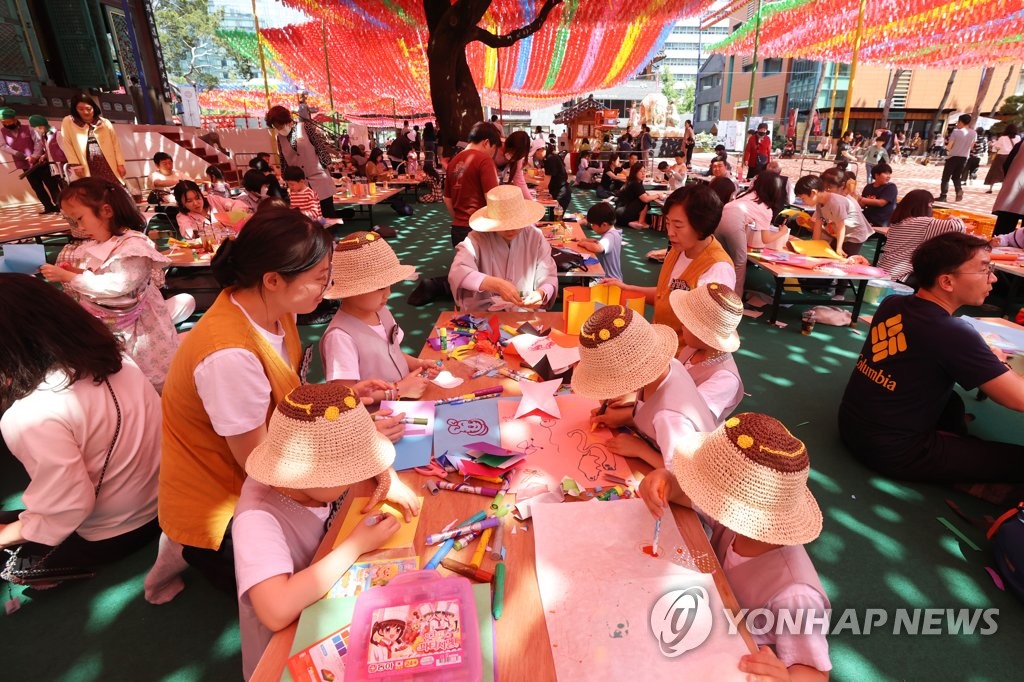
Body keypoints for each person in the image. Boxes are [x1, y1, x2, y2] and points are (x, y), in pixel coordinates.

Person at [145, 207, 418, 603]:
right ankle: (185, 548)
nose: (326, 290)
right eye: (319, 280)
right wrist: (354, 445)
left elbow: (287, 399)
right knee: (306, 595)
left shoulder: (276, 311)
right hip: (226, 504)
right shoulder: (230, 356)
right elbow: (260, 464)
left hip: (263, 475)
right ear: (272, 280)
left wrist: (347, 404)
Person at [639, 413, 831, 681]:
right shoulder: (738, 520)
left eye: (707, 491)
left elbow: (815, 673)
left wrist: (786, 678)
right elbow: (690, 501)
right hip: (703, 625)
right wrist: (666, 483)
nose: (701, 496)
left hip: (733, 663)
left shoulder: (796, 596)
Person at [0, 274, 161, 586]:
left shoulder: (30, 414)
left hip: (116, 530)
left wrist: (7, 535)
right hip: (164, 502)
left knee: (14, 534)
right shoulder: (116, 359)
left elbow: (70, 505)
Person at [233, 382, 402, 680]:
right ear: (310, 472)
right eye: (348, 472)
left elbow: (346, 448)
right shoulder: (255, 519)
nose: (357, 477)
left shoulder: (308, 483)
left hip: (327, 608)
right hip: (286, 654)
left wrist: (386, 477)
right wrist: (355, 545)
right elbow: (276, 611)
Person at [839, 232, 1024, 483]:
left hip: (852, 426)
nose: (992, 278)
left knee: (953, 402)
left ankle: (954, 441)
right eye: (983, 269)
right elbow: (1017, 399)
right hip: (897, 452)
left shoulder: (892, 303)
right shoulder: (952, 333)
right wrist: (999, 362)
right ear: (947, 282)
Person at [38, 178, 177, 392]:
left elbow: (117, 284)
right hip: (112, 323)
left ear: (106, 211)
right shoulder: (99, 245)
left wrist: (69, 277)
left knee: (147, 370)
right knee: (122, 373)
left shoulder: (133, 246)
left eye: (80, 218)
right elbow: (99, 276)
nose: (80, 227)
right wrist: (76, 272)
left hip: (139, 324)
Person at [574, 305, 716, 468]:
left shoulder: (669, 417)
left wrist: (640, 450)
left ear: (628, 377)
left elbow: (682, 473)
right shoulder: (668, 365)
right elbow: (652, 411)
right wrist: (629, 417)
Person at [607, 184, 734, 347]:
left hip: (682, 362)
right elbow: (664, 294)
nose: (670, 232)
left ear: (703, 225)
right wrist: (626, 288)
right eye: (668, 223)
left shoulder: (717, 268)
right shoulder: (677, 249)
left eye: (678, 225)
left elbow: (710, 337)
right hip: (660, 347)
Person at [320, 231, 437, 397]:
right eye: (380, 287)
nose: (388, 293)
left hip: (404, 400)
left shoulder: (381, 311)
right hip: (375, 417)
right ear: (353, 290)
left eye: (389, 286)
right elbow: (344, 394)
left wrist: (418, 364)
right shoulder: (340, 337)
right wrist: (397, 390)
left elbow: (393, 353)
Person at [449, 185, 557, 312]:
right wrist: (494, 284)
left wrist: (542, 293)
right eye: (504, 225)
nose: (510, 230)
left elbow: (549, 274)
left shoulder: (535, 237)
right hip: (485, 313)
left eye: (515, 223)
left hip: (524, 312)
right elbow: (458, 271)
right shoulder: (477, 238)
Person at [669, 283, 745, 423]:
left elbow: (687, 417)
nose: (682, 324)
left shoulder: (724, 379)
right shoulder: (692, 349)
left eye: (687, 321)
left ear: (702, 333)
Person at [717, 171, 789, 294]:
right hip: (733, 224)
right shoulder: (765, 208)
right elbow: (765, 239)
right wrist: (782, 232)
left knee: (720, 258)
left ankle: (714, 293)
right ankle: (735, 301)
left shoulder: (746, 194)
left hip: (719, 220)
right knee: (740, 263)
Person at [877, 189, 965, 283]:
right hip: (901, 275)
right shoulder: (923, 223)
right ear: (925, 205)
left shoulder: (898, 223)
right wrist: (953, 217)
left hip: (885, 269)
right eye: (931, 205)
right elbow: (958, 227)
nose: (932, 209)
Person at [266, 105, 337, 218]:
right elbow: (283, 160)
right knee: (306, 218)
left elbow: (320, 147)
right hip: (300, 184)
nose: (279, 128)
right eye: (275, 126)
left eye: (279, 125)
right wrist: (287, 179)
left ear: (285, 119)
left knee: (327, 215)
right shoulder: (280, 138)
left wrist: (325, 165)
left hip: (319, 178)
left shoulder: (305, 127)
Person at [443, 121, 501, 247]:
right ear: (486, 142)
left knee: (464, 265)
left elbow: (447, 198)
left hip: (458, 229)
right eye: (494, 148)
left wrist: (459, 218)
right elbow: (492, 198)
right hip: (480, 228)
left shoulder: (453, 161)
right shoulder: (485, 160)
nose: (494, 153)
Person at [794, 174, 872, 259]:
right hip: (841, 233)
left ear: (813, 193)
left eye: (803, 198)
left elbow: (841, 226)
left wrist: (839, 247)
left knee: (844, 259)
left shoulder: (835, 202)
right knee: (831, 254)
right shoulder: (819, 202)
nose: (803, 201)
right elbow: (818, 224)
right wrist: (814, 245)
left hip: (855, 234)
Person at [1, 108, 60, 213]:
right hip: (24, 165)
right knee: (37, 187)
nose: (6, 125)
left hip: (40, 162)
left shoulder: (29, 128)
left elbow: (38, 143)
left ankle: (60, 205)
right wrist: (16, 153)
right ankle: (48, 207)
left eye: (8, 122)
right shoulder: (2, 132)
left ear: (14, 120)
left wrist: (34, 156)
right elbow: (2, 146)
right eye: (3, 123)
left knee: (51, 184)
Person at [60, 93, 126, 185]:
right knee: (94, 188)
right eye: (81, 109)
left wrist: (120, 164)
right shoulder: (68, 122)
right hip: (87, 164)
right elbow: (67, 144)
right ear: (75, 110)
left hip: (107, 163)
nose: (86, 112)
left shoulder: (105, 122)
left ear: (94, 108)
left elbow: (116, 144)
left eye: (88, 108)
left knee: (115, 187)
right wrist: (75, 164)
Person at [174, 179, 249, 241]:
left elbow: (238, 204)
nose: (196, 203)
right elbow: (189, 234)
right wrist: (213, 227)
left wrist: (235, 215)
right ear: (182, 203)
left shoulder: (213, 200)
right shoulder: (183, 216)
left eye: (197, 198)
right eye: (189, 201)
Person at [577, 201, 623, 280]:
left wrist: (583, 243)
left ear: (604, 225)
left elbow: (597, 248)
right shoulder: (614, 233)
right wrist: (588, 241)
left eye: (593, 224)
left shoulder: (610, 236)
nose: (592, 227)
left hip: (609, 280)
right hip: (610, 278)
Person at [938, 114, 976, 203]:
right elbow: (971, 147)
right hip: (964, 158)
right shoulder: (974, 133)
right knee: (956, 177)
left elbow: (949, 146)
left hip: (953, 156)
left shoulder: (956, 132)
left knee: (946, 177)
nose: (957, 124)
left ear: (961, 122)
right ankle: (958, 190)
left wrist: (946, 149)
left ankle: (943, 196)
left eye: (958, 122)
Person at [993, 137, 1024, 236]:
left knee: (1001, 235)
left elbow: (1007, 164)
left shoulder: (1021, 144)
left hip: (1013, 191)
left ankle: (996, 250)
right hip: (1015, 190)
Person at [615, 162, 657, 229]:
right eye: (640, 171)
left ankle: (630, 223)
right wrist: (658, 195)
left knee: (644, 199)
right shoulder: (635, 184)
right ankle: (641, 222)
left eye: (644, 171)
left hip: (618, 215)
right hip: (623, 213)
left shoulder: (630, 182)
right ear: (635, 173)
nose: (643, 174)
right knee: (645, 201)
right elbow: (645, 199)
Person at [858, 162, 898, 226]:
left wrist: (861, 199)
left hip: (881, 221)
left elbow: (881, 203)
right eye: (886, 173)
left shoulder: (891, 187)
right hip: (867, 218)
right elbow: (862, 205)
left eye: (889, 174)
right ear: (876, 175)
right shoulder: (868, 187)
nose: (889, 176)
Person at [986, 124, 1019, 194]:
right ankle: (1004, 189)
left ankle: (990, 188)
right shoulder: (1018, 138)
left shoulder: (1002, 138)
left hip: (1001, 157)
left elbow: (996, 147)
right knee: (1008, 173)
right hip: (1013, 158)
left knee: (994, 172)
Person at [501, 130, 532, 199]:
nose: (514, 157)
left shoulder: (518, 155)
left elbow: (519, 180)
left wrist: (531, 202)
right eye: (513, 152)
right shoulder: (496, 147)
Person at [540, 148, 571, 213]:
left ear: (541, 150)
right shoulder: (552, 157)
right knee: (554, 216)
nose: (535, 155)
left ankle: (582, 221)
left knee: (556, 217)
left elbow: (546, 184)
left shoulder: (550, 159)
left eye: (535, 153)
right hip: (560, 190)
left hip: (561, 192)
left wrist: (528, 180)